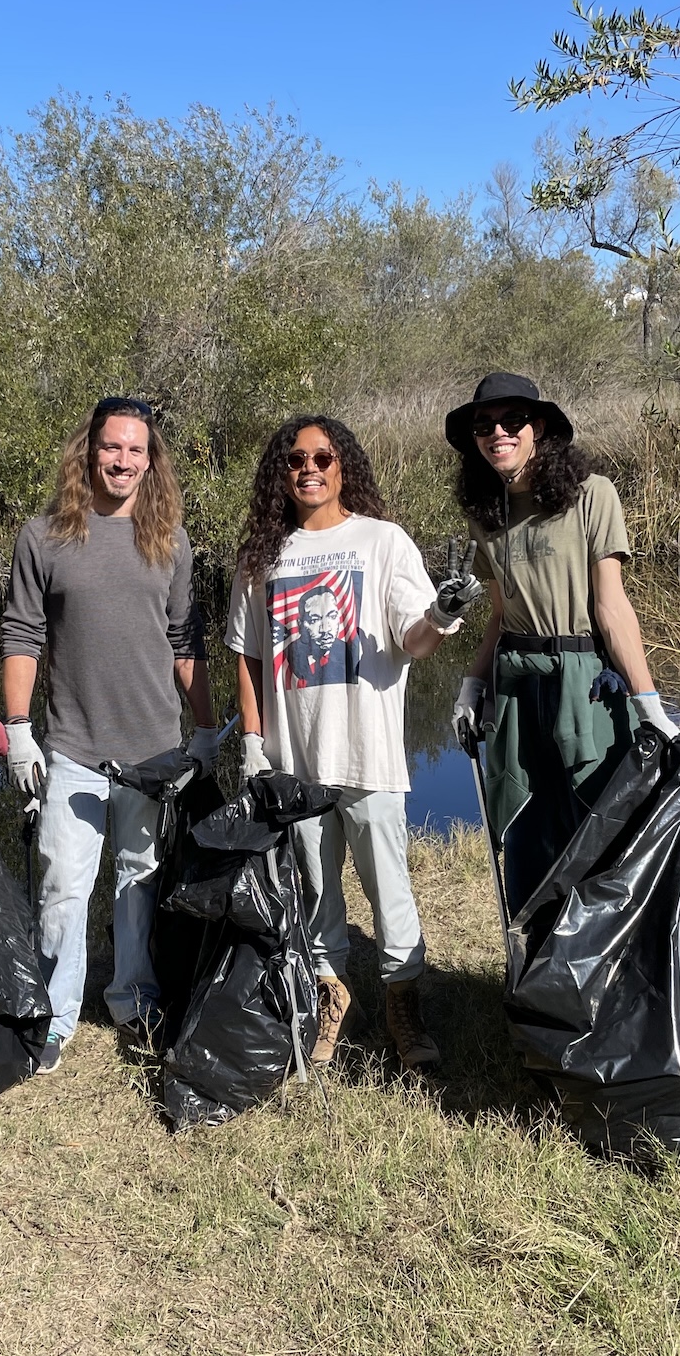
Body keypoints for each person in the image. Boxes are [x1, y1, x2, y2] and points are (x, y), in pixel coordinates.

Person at [227, 415, 483, 1071]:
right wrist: (253, 744)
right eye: (294, 459)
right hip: (297, 769)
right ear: (279, 473)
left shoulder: (383, 542)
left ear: (345, 466)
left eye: (322, 456)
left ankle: (404, 1005)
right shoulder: (262, 555)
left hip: (367, 758)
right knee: (315, 896)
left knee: (390, 893)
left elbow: (414, 641)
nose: (308, 468)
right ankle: (330, 1000)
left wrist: (444, 612)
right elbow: (249, 657)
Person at [2, 396, 217, 1074]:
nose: (122, 460)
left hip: (155, 749)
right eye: (111, 447)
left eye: (136, 449)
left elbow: (186, 641)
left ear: (151, 461)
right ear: (88, 451)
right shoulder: (44, 538)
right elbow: (21, 635)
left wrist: (207, 731)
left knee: (139, 878)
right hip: (73, 747)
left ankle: (133, 998)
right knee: (64, 884)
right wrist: (15, 729)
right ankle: (56, 1013)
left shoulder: (171, 538)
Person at [445, 373, 680, 899]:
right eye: (485, 425)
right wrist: (471, 686)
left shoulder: (591, 496)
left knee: (596, 821)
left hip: (584, 682)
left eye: (513, 421)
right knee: (527, 825)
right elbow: (503, 613)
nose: (498, 433)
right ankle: (538, 962)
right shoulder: (487, 515)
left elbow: (611, 606)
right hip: (515, 688)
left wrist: (648, 703)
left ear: (540, 428)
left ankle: (599, 956)